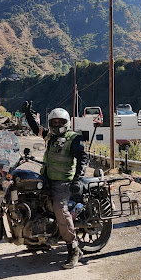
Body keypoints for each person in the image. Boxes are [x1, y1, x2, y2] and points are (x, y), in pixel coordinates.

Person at [22, 101, 88, 269]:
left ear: (67, 123)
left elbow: (83, 158)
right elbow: (36, 128)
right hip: (46, 179)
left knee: (60, 209)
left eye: (60, 122)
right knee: (32, 201)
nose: (57, 124)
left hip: (64, 182)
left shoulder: (74, 138)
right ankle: (38, 240)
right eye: (54, 122)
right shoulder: (49, 136)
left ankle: (73, 248)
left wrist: (77, 179)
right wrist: (28, 113)